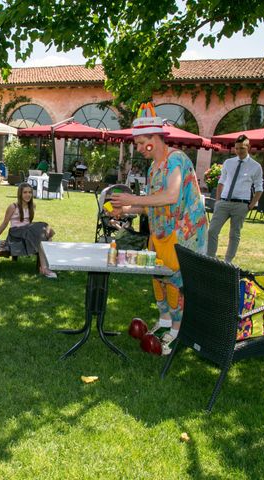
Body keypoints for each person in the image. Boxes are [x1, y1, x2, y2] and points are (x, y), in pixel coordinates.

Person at [110, 104, 207, 355]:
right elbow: (152, 206)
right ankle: (164, 321)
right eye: (138, 143)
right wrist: (127, 209)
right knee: (158, 277)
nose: (140, 148)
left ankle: (177, 330)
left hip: (184, 233)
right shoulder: (154, 168)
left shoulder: (176, 158)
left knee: (176, 280)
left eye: (143, 143)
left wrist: (134, 201)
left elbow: (172, 195)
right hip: (161, 233)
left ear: (156, 137)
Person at [207, 135, 263, 263]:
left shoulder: (256, 166)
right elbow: (221, 182)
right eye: (236, 148)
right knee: (212, 231)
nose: (238, 151)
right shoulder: (228, 163)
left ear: (248, 147)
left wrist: (250, 206)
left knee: (234, 235)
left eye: (241, 148)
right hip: (223, 202)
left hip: (241, 205)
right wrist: (218, 201)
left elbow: (259, 188)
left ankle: (228, 262)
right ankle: (210, 259)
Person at [0, 182, 57, 278]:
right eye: (25, 192)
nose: (28, 195)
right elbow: (4, 223)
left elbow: (29, 223)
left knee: (43, 235)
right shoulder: (13, 207)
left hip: (27, 232)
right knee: (43, 226)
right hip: (16, 233)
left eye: (30, 192)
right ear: (20, 194)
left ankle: (44, 267)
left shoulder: (33, 206)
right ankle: (45, 268)